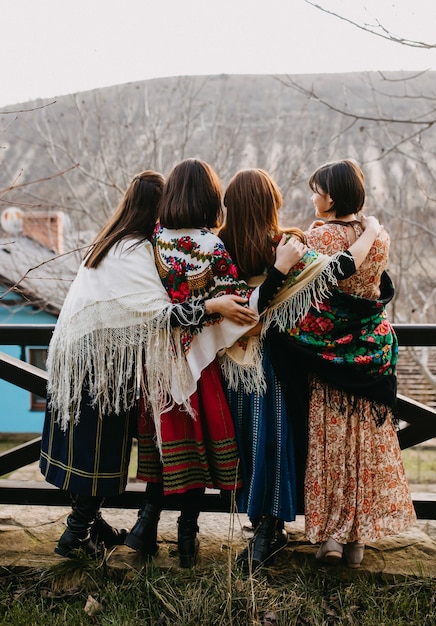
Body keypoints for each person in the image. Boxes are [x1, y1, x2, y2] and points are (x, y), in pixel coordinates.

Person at [39, 170, 258, 560]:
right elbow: (161, 315)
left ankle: (91, 526)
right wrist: (213, 305)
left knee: (91, 452)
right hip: (101, 366)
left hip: (81, 361)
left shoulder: (108, 243)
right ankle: (76, 536)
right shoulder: (136, 250)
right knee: (99, 454)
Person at [125, 158, 305, 568]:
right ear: (210, 198)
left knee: (162, 445)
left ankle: (146, 525)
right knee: (207, 447)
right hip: (207, 364)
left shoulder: (152, 242)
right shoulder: (214, 246)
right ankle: (191, 540)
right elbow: (243, 310)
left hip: (158, 363)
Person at [218, 167, 383, 572]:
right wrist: (370, 230)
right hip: (274, 364)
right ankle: (270, 529)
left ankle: (258, 524)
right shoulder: (287, 243)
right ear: (271, 203)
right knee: (273, 441)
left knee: (246, 443)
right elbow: (337, 270)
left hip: (230, 364)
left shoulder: (217, 247)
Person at [270, 159, 416, 568]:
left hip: (330, 352)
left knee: (332, 444)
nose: (312, 197)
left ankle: (331, 537)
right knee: (365, 446)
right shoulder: (379, 235)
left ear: (330, 196)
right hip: (371, 351)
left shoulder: (321, 235)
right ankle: (358, 542)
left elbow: (299, 287)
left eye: (316, 190)